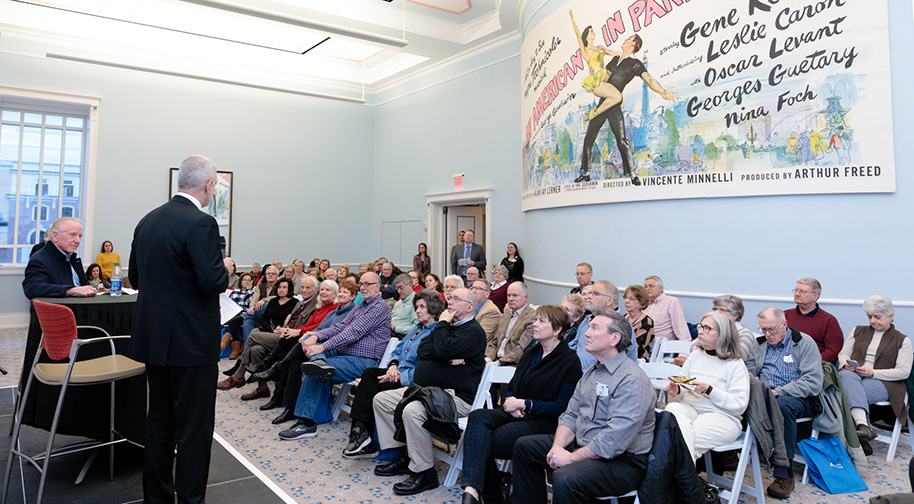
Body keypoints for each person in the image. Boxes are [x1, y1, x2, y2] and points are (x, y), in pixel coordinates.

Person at [128, 155, 233, 503]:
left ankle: (156, 498)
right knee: (193, 430)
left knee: (159, 423)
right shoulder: (201, 223)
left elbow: (138, 278)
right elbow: (211, 281)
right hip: (191, 342)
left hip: (153, 338)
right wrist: (226, 268)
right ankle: (190, 500)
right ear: (208, 185)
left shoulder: (147, 220)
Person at [511, 310, 655, 504]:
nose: (586, 333)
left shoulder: (632, 379)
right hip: (585, 445)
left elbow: (613, 440)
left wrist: (570, 459)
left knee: (567, 477)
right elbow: (570, 414)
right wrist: (557, 449)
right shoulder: (592, 372)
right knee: (525, 447)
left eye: (594, 328)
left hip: (621, 462)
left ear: (614, 338)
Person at [461, 305, 582, 504]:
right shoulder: (531, 353)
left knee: (482, 442)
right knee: (477, 417)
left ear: (557, 329)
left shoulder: (569, 361)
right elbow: (513, 386)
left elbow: (562, 406)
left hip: (543, 421)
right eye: (536, 320)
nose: (535, 324)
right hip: (514, 412)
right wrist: (510, 402)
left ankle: (485, 498)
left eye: (541, 321)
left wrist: (526, 404)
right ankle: (472, 491)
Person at [372, 287, 487, 496]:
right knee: (382, 400)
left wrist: (442, 327)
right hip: (429, 391)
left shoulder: (472, 331)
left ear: (470, 307)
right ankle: (404, 455)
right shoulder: (449, 329)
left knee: (413, 411)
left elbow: (441, 349)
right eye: (449, 298)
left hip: (456, 396)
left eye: (455, 299)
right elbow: (424, 350)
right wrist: (444, 353)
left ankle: (424, 473)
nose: (449, 302)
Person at [569, 11, 678, 186]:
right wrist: (595, 73)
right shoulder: (614, 60)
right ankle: (586, 172)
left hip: (614, 106)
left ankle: (632, 173)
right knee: (589, 136)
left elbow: (649, 79)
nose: (625, 39)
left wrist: (663, 91)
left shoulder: (635, 64)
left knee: (622, 140)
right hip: (605, 100)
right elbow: (605, 79)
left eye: (629, 38)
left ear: (633, 44)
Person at [278, 272, 391, 439]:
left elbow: (353, 333)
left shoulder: (379, 307)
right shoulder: (360, 307)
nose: (363, 287)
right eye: (361, 284)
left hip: (365, 362)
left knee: (315, 366)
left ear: (378, 286)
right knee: (315, 362)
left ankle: (306, 423)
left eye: (368, 284)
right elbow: (340, 327)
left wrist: (322, 346)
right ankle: (318, 367)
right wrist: (315, 336)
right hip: (346, 356)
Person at [341, 289, 444, 458]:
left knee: (371, 383)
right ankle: (359, 432)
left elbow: (426, 368)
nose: (417, 310)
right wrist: (393, 366)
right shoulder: (417, 329)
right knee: (369, 374)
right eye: (416, 306)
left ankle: (363, 436)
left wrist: (399, 375)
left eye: (422, 307)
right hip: (397, 373)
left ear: (433, 309)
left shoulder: (436, 332)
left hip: (412, 381)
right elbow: (398, 350)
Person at [753, 307, 824, 500]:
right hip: (766, 394)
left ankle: (785, 474)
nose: (767, 334)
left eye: (772, 329)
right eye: (763, 330)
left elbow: (812, 383)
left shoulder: (803, 343)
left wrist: (778, 392)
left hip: (799, 398)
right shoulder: (759, 344)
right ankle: (729, 456)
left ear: (784, 324)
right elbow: (749, 370)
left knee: (781, 406)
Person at [664, 312, 750, 462]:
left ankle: (674, 480)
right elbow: (684, 388)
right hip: (691, 409)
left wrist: (709, 390)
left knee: (679, 437)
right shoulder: (696, 355)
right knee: (671, 410)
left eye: (707, 328)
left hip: (722, 416)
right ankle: (685, 481)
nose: (700, 331)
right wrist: (678, 390)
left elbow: (739, 405)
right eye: (700, 326)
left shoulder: (735, 364)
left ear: (722, 334)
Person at [837, 295, 912, 444]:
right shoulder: (857, 331)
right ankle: (863, 427)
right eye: (869, 316)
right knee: (847, 377)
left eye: (877, 317)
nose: (872, 321)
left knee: (843, 393)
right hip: (854, 376)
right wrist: (846, 364)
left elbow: (903, 371)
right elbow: (843, 353)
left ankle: (850, 440)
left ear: (890, 315)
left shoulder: (902, 340)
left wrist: (873, 373)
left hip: (884, 382)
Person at [22, 217, 96, 299]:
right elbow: (32, 288)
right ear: (55, 236)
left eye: (80, 236)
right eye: (72, 235)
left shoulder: (72, 258)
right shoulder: (40, 259)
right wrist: (69, 290)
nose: (77, 240)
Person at [785, 277, 844, 364]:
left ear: (815, 296)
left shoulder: (829, 320)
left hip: (814, 366)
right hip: (784, 363)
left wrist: (812, 363)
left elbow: (833, 351)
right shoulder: (784, 315)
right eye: (796, 290)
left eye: (802, 291)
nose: (797, 294)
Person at [487, 282, 535, 365]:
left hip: (511, 364)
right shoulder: (506, 315)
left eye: (515, 295)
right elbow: (494, 341)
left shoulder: (532, 317)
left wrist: (498, 363)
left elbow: (521, 348)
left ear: (526, 298)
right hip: (495, 360)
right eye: (509, 295)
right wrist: (488, 358)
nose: (511, 299)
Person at [712, 294, 761, 372]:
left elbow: (736, 358)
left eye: (722, 310)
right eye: (715, 309)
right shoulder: (712, 329)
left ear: (735, 315)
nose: (716, 313)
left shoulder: (745, 334)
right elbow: (695, 347)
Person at [642, 275, 690, 341]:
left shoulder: (671, 302)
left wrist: (684, 347)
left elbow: (680, 327)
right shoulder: (644, 303)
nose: (647, 289)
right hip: (642, 344)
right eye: (645, 286)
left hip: (661, 346)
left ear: (660, 287)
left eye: (651, 286)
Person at [222, 272, 255, 359]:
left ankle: (226, 340)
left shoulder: (253, 293)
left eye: (248, 280)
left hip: (245, 314)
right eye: (244, 280)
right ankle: (235, 350)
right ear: (240, 281)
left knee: (238, 318)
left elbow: (250, 304)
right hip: (234, 314)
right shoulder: (235, 292)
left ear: (252, 282)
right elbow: (230, 304)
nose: (246, 282)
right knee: (235, 320)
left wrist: (249, 290)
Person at [623, 285, 655, 360]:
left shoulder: (647, 322)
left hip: (637, 361)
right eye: (625, 298)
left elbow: (636, 347)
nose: (627, 301)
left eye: (631, 299)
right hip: (620, 357)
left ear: (641, 302)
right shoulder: (622, 318)